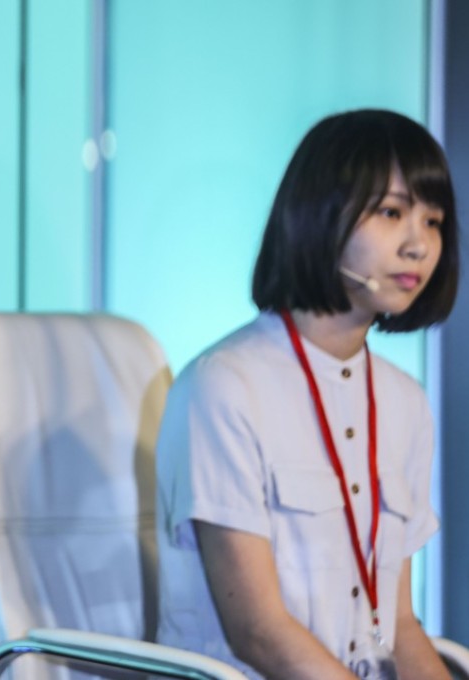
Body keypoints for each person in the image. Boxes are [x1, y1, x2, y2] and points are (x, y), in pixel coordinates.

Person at [156, 109, 458, 679]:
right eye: (392, 212)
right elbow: (259, 631)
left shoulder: (405, 402)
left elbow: (399, 624)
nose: (420, 244)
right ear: (320, 213)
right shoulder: (225, 385)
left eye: (435, 220)